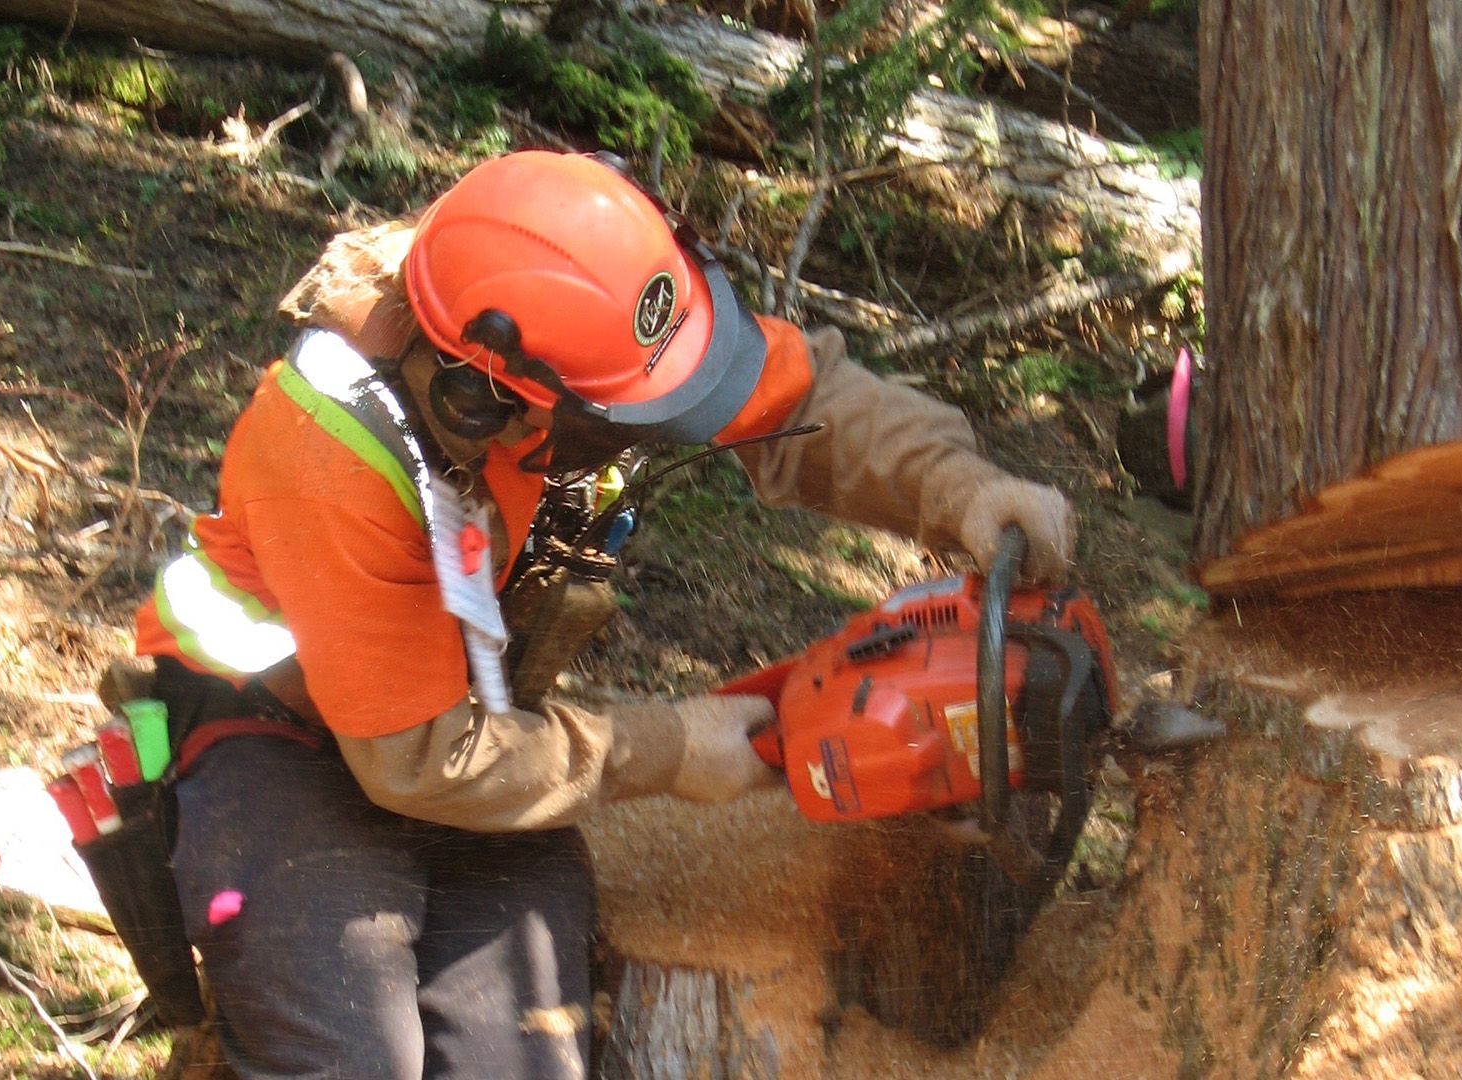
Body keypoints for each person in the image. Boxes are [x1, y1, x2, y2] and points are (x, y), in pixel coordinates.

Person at [128, 149, 1076, 1080]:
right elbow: (416, 762)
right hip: (273, 732)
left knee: (525, 1049)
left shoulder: (584, 307)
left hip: (461, 718)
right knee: (355, 1056)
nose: (641, 436)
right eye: (615, 423)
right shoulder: (330, 454)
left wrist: (959, 487)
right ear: (478, 400)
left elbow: (804, 400)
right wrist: (665, 748)